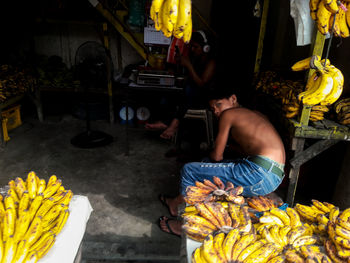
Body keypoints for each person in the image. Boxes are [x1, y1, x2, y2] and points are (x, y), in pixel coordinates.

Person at [158, 84, 286, 236]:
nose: (217, 111)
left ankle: (182, 223)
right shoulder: (255, 114)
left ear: (233, 99)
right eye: (213, 109)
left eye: (219, 104)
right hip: (273, 175)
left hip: (258, 173)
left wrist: (212, 151)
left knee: (190, 170)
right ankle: (183, 204)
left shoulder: (229, 114)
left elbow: (217, 157)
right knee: (206, 165)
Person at [145, 30, 217, 140]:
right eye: (191, 46)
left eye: (196, 47)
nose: (192, 49)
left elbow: (201, 84)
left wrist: (188, 65)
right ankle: (166, 122)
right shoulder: (196, 59)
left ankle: (172, 124)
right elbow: (190, 78)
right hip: (190, 96)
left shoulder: (211, 63)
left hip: (204, 99)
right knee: (172, 91)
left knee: (188, 91)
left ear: (206, 48)